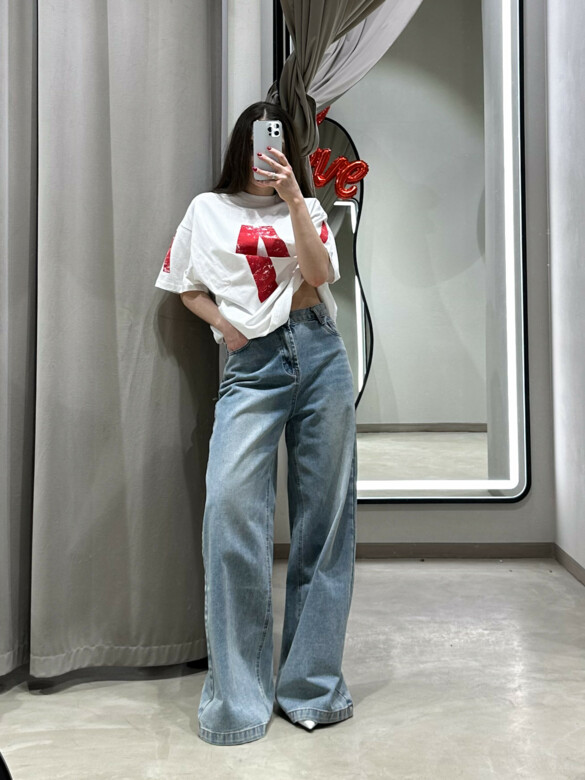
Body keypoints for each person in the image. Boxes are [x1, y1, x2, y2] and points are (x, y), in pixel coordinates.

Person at [154, 101, 357, 746]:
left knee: (324, 524)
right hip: (253, 365)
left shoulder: (308, 206)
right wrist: (226, 328)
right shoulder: (207, 209)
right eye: (256, 142)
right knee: (230, 512)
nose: (264, 155)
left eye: (277, 144)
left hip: (319, 351)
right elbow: (184, 284)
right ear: (241, 146)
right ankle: (238, 700)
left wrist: (296, 197)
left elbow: (320, 273)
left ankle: (312, 689)